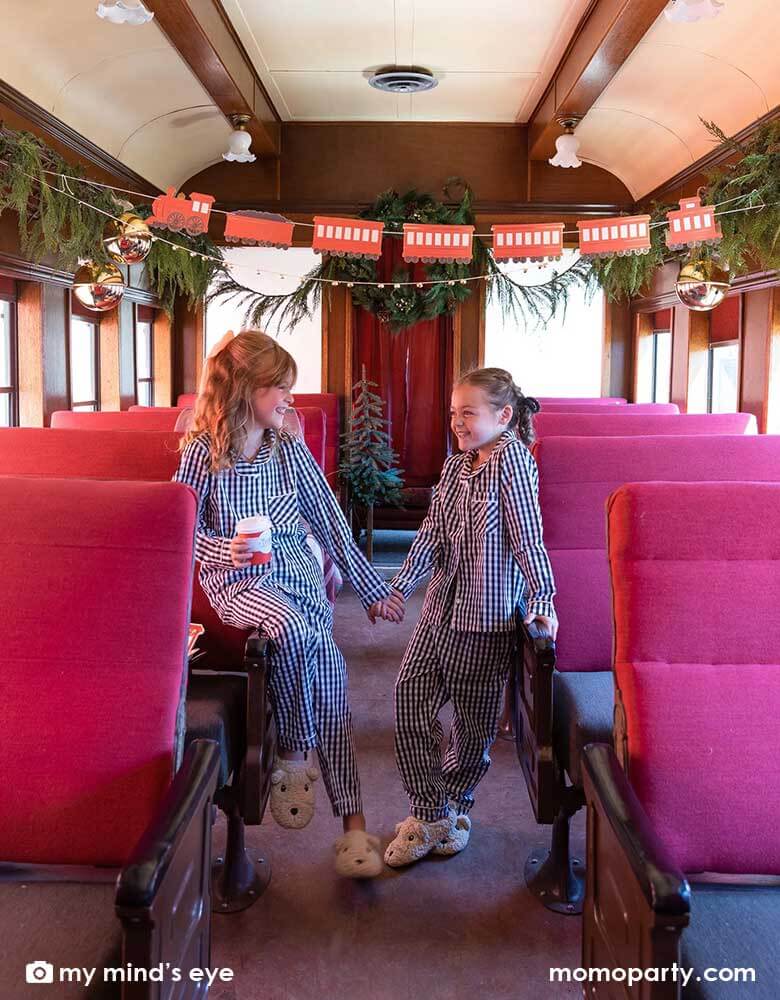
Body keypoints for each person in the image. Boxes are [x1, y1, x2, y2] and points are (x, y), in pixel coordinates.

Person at [174, 329, 403, 878]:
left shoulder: (288, 447)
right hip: (240, 586)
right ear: (244, 388)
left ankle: (352, 825)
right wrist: (222, 549)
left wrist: (371, 590)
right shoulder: (202, 453)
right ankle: (298, 757)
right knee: (296, 630)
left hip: (299, 578)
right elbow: (177, 530)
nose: (289, 400)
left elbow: (327, 518)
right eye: (279, 388)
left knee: (329, 672)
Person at [383, 367, 557, 867]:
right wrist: (399, 587)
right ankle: (431, 811)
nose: (457, 422)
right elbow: (432, 536)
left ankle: (454, 807)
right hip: (438, 610)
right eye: (454, 413)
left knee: (472, 726)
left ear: (504, 416)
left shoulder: (515, 464)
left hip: (485, 620)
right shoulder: (456, 467)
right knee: (408, 696)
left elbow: (529, 540)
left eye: (469, 413)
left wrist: (543, 603)